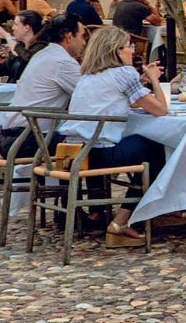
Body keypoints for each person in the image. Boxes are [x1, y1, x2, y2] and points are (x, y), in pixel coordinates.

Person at [60, 25, 168, 247]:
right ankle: (120, 223)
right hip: (99, 153)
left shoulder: (87, 76)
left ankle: (115, 212)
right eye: (129, 46)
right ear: (116, 51)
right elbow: (160, 110)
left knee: (136, 144)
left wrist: (141, 84)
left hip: (73, 152)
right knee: (158, 148)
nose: (133, 50)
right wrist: (154, 79)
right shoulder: (124, 73)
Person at [0, 13, 84, 155]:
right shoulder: (62, 61)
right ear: (69, 37)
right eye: (82, 36)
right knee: (93, 144)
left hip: (8, 137)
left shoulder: (43, 54)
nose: (84, 42)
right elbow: (90, 95)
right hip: (26, 140)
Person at [0, 9, 45, 83]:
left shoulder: (41, 47)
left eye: (16, 24)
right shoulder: (20, 46)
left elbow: (27, 58)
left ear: (26, 28)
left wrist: (7, 36)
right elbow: (2, 69)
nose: (13, 28)